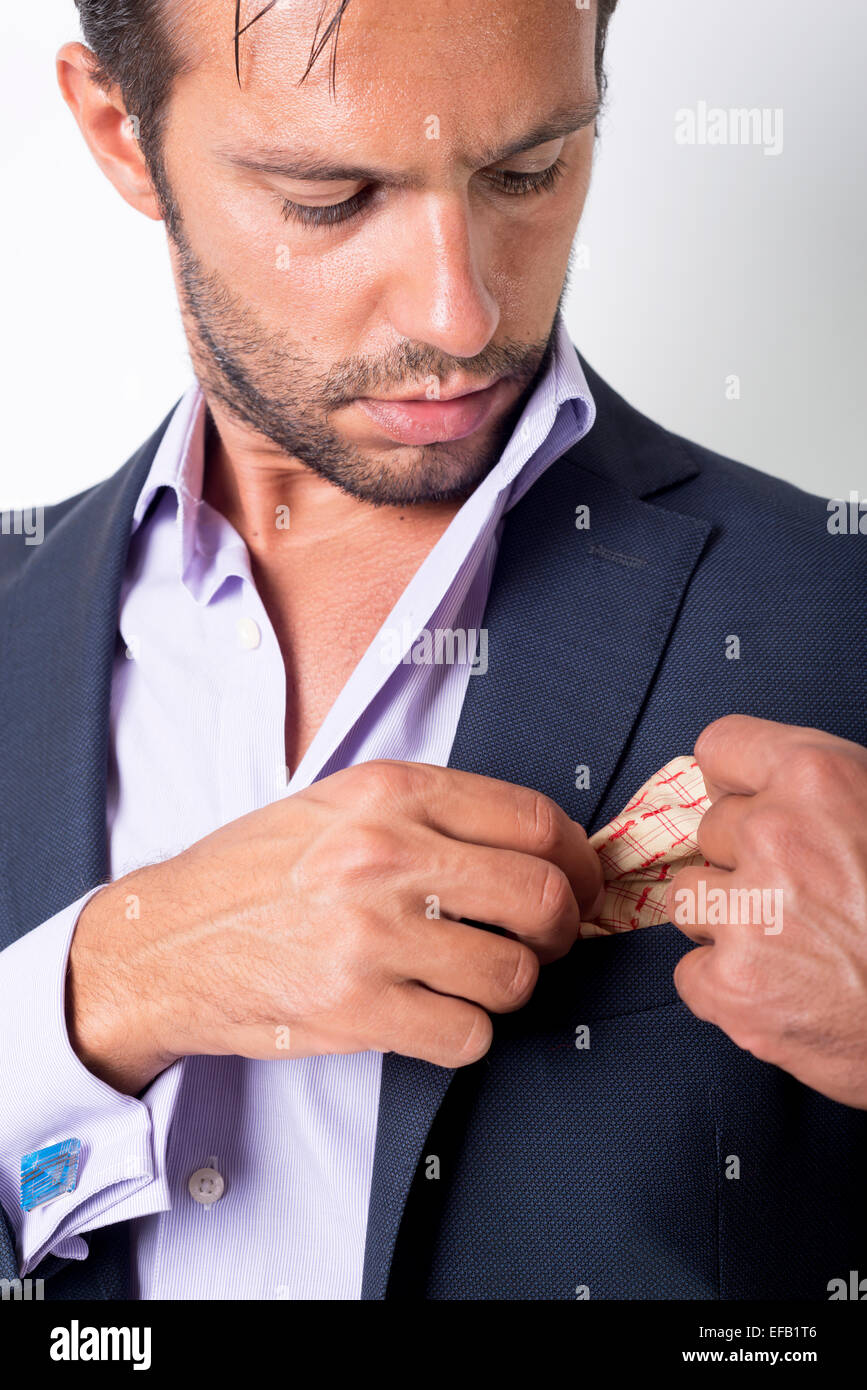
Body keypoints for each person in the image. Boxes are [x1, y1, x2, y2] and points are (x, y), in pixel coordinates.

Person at [0, 0, 864, 1301]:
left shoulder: (838, 610)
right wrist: (101, 987)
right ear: (121, 132)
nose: (463, 316)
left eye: (527, 169)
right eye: (333, 196)